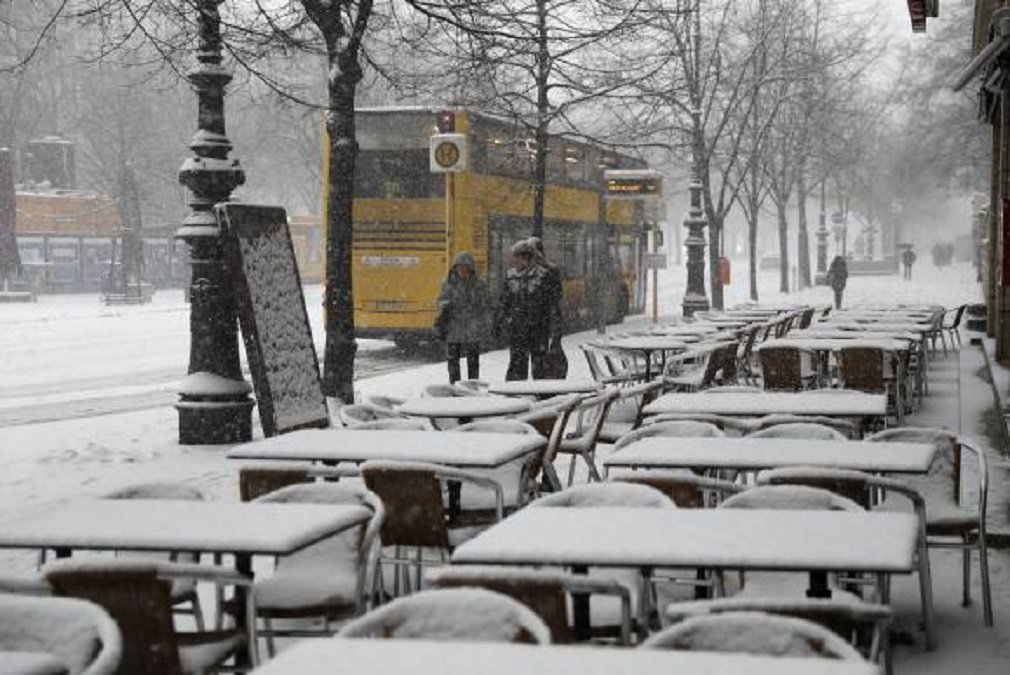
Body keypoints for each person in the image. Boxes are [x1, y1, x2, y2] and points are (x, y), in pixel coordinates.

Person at [495, 239, 551, 381]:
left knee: (539, 366)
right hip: (517, 329)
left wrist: (546, 325)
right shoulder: (510, 277)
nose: (513, 260)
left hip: (538, 329)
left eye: (516, 257)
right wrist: (502, 321)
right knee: (517, 365)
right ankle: (516, 390)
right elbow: (504, 302)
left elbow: (548, 304)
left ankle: (541, 391)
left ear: (525, 258)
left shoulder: (542, 276)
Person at [434, 251, 491, 384]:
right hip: (454, 328)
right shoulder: (449, 284)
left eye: (466, 269)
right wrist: (446, 305)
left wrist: (482, 319)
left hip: (472, 329)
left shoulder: (479, 284)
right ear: (455, 269)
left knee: (473, 363)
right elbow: (440, 300)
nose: (463, 272)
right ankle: (454, 386)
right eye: (460, 269)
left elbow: (486, 304)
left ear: (471, 270)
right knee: (453, 363)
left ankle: (472, 386)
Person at [527, 236, 566, 378]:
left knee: (544, 355)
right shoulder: (530, 270)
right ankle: (541, 380)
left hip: (546, 321)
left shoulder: (548, 270)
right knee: (537, 356)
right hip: (538, 321)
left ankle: (545, 381)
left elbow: (556, 296)